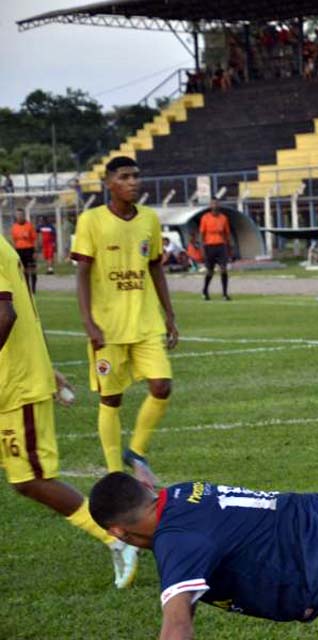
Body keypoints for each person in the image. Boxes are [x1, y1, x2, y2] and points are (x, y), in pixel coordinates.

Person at [89, 472, 318, 639]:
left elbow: (177, 628)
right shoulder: (178, 496)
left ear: (117, 531)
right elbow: (185, 606)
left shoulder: (176, 540)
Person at [0, 235, 140, 589]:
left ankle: (115, 536)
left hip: (13, 385)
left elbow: (6, 314)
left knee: (29, 479)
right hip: (17, 375)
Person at [71, 156, 178, 490]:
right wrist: (89, 322)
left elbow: (155, 267)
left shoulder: (149, 219)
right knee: (111, 399)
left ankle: (137, 452)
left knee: (162, 385)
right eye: (125, 177)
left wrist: (169, 313)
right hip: (109, 327)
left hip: (146, 322)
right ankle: (114, 469)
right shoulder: (91, 220)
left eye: (136, 176)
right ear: (109, 183)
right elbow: (83, 274)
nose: (133, 182)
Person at [199, 199, 232, 301]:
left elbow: (227, 234)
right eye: (213, 203)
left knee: (223, 269)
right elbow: (201, 234)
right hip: (209, 246)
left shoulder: (223, 218)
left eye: (217, 203)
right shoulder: (205, 218)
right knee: (210, 271)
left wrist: (229, 247)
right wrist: (202, 248)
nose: (215, 205)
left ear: (219, 205)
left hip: (221, 246)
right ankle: (205, 291)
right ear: (210, 205)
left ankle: (225, 294)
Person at [10, 208, 37, 293]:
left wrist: (35, 251)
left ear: (24, 216)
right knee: (22, 270)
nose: (19, 217)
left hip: (29, 250)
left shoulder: (29, 226)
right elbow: (14, 240)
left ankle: (33, 288)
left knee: (32, 270)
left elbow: (34, 239)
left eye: (21, 215)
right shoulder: (14, 227)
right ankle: (26, 288)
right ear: (16, 216)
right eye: (18, 215)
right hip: (19, 250)